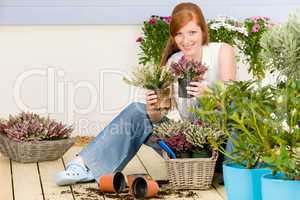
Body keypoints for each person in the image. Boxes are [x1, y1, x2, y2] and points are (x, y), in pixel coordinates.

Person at [54, 2, 236, 186]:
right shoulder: (172, 63)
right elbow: (159, 116)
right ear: (173, 37)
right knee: (137, 111)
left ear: (203, 31)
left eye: (192, 32)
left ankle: (233, 170)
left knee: (227, 102)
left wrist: (210, 93)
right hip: (186, 148)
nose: (186, 40)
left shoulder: (221, 51)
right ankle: (83, 166)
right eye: (179, 34)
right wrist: (152, 110)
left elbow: (233, 100)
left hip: (220, 146)